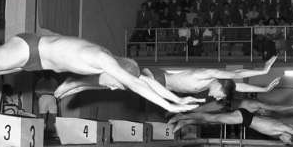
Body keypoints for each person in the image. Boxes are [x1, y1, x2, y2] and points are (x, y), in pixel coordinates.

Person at [0, 31, 203, 113]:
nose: (111, 88)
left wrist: (176, 99)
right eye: (115, 85)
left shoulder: (108, 68)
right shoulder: (104, 61)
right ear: (119, 71)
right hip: (30, 48)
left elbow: (144, 82)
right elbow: (136, 85)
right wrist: (171, 106)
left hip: (35, 61)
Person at [55, 56, 280, 105]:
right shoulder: (207, 74)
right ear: (221, 85)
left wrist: (263, 89)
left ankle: (77, 85)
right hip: (159, 77)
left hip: (161, 82)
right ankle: (75, 82)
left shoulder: (210, 85)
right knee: (119, 83)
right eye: (221, 96)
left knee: (115, 85)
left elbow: (237, 85)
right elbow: (235, 75)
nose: (218, 98)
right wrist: (262, 70)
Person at [169, 110, 293, 146]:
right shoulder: (284, 129)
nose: (284, 142)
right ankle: (182, 117)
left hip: (245, 118)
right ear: (290, 136)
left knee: (213, 120)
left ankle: (184, 121)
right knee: (211, 118)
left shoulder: (287, 128)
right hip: (244, 118)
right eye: (287, 142)